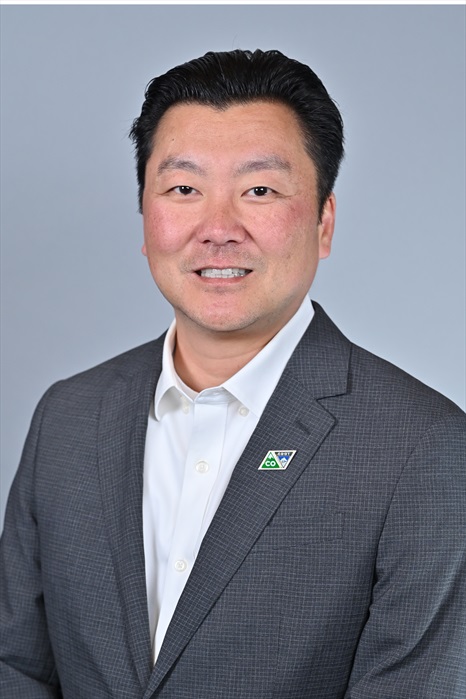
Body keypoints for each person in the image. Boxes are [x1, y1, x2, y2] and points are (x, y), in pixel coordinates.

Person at [0, 49, 465, 699]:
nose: (217, 229)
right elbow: (16, 664)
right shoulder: (69, 417)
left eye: (260, 190)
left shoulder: (422, 446)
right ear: (145, 217)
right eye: (184, 188)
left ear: (324, 220)